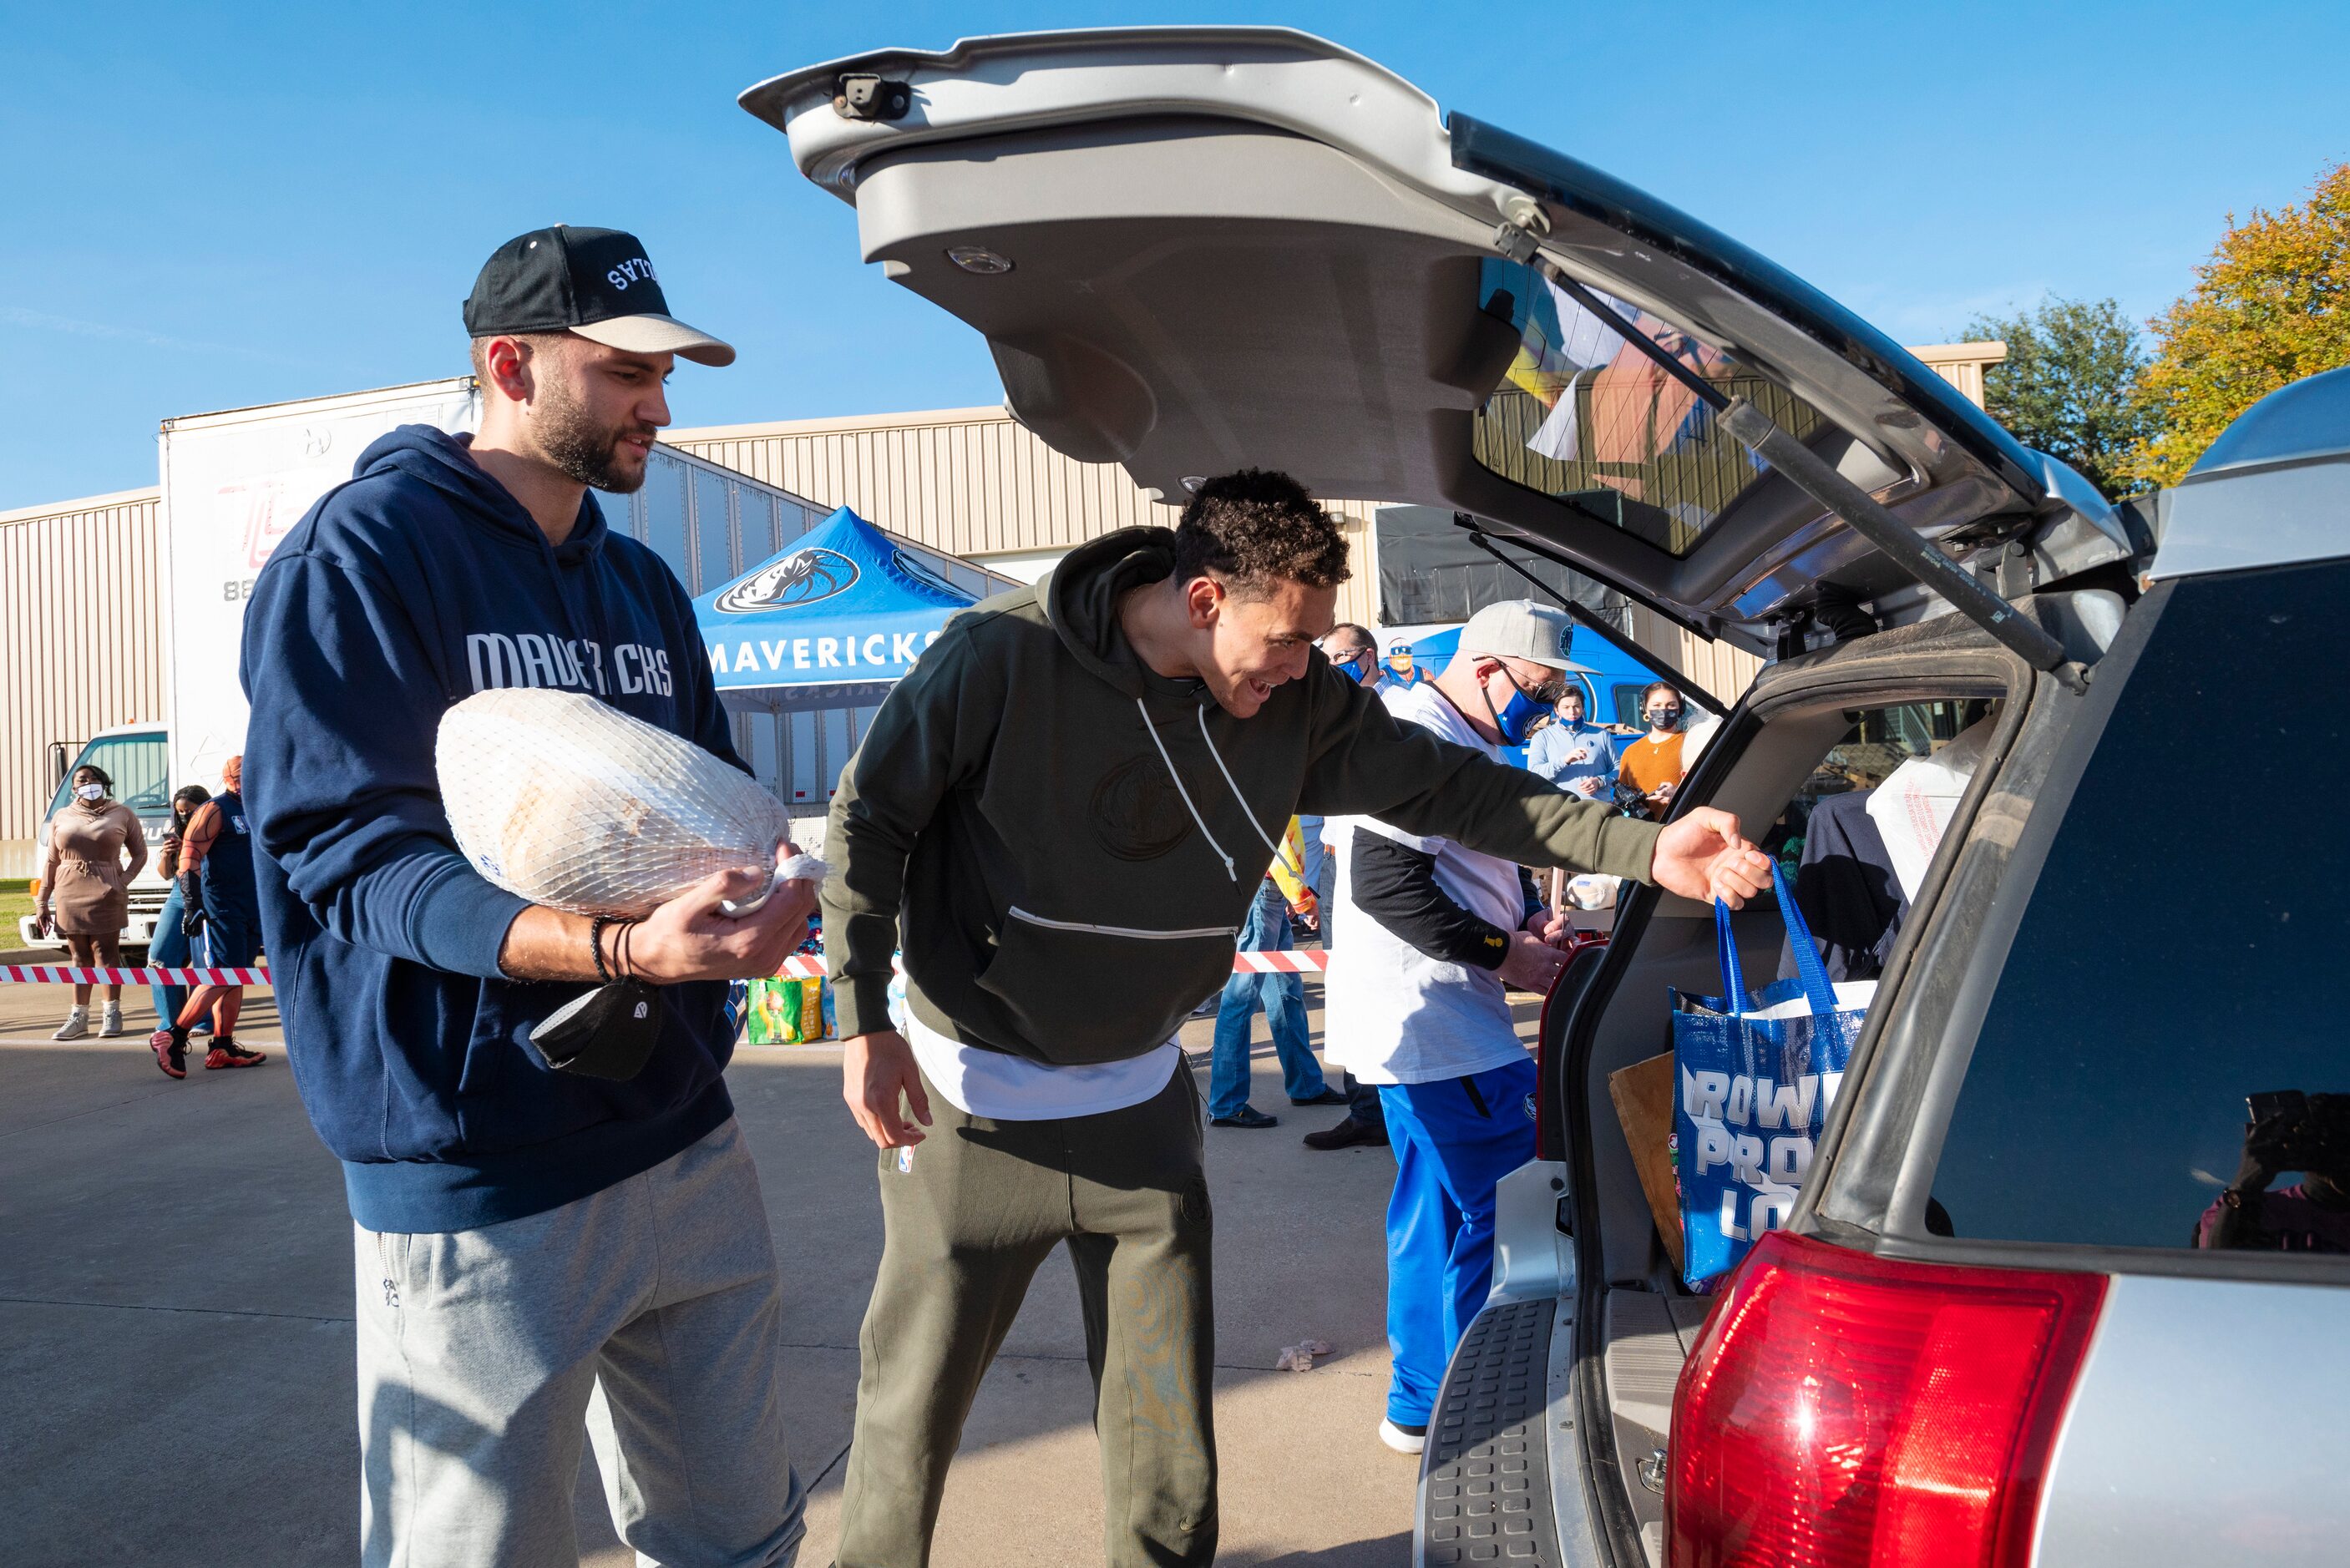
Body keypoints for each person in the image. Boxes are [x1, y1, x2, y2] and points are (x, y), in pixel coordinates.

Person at [822, 473, 1771, 1568]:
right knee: (913, 1403)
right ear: (1206, 596)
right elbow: (868, 819)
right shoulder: (1000, 658)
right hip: (971, 1101)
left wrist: (1642, 848)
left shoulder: (1297, 697)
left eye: (1314, 639)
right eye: (1285, 636)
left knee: (1166, 1438)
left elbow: (1453, 790)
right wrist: (861, 1015)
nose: (1298, 664)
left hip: (1137, 1103)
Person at [237, 225, 816, 1567]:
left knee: (742, 1534)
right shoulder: (363, 555)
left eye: (664, 375)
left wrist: (757, 892)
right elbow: (346, 852)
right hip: (481, 1164)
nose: (659, 407)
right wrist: (620, 946)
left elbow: (710, 799)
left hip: (682, 1130)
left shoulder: (639, 584)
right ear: (511, 362)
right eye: (624, 372)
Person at [1319, 600, 1596, 1456]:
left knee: (1433, 1220)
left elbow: (1442, 868)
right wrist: (1502, 955)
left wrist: (1515, 924)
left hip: (1429, 1026)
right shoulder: (1420, 738)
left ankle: (1419, 1404)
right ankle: (1478, 1411)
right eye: (1538, 692)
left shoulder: (1446, 738)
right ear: (1486, 671)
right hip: (1443, 1029)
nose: (1545, 712)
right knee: (1511, 1218)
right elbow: (1385, 883)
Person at [1303, 622, 1394, 1151]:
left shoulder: (1398, 708)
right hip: (1338, 858)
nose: (1330, 668)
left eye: (1338, 658)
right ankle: (1364, 1109)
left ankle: (1388, 1108)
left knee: (1379, 984)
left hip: (1378, 860)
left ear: (1366, 656)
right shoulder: (1331, 713)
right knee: (1348, 988)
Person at [1207, 818, 1345, 1128]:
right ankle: (1228, 1103)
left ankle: (1305, 1085)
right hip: (1266, 886)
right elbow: (1277, 840)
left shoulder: (1258, 775)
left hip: (1266, 886)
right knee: (1242, 996)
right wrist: (1303, 899)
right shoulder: (1273, 778)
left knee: (1283, 989)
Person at [150, 756, 269, 1076]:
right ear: (229, 779)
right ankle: (171, 1036)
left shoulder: (260, 806)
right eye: (244, 777)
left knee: (239, 974)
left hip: (252, 906)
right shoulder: (214, 810)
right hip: (222, 907)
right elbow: (189, 858)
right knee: (222, 974)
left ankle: (222, 1046)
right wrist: (193, 905)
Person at [35, 763, 148, 1040]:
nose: (88, 782)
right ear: (74, 787)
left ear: (104, 783)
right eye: (81, 779)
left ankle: (112, 1013)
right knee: (79, 957)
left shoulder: (122, 813)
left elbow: (140, 854)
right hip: (69, 890)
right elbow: (52, 861)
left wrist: (123, 880)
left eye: (93, 778)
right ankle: (79, 1016)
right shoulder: (62, 815)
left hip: (107, 891)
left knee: (106, 955)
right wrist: (42, 902)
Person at [146, 784, 212, 1037]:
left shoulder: (215, 828)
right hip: (178, 893)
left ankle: (202, 1019)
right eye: (180, 812)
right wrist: (166, 855)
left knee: (202, 960)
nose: (185, 816)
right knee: (159, 956)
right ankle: (170, 1021)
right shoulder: (176, 833)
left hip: (208, 894)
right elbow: (165, 875)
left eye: (190, 811)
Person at [1525, 680, 1617, 801]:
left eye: (1576, 706)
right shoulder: (1542, 737)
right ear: (1556, 710)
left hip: (1599, 808)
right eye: (1566, 707)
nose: (1572, 712)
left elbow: (1618, 769)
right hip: (1562, 810)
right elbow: (1534, 774)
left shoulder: (1602, 734)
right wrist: (1564, 760)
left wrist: (1600, 781)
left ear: (1583, 708)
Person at [1617, 680, 1689, 820]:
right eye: (1657, 705)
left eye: (1671, 705)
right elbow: (1621, 797)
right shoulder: (1631, 751)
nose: (1664, 710)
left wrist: (1677, 793)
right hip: (1642, 832)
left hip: (1679, 826)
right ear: (1644, 709)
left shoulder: (1691, 743)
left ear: (1681, 709)